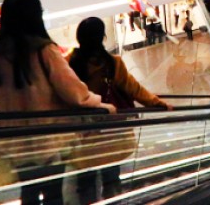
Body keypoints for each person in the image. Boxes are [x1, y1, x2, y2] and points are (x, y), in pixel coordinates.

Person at [0, 0, 115, 205]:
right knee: (54, 194)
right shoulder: (44, 50)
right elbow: (74, 92)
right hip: (47, 141)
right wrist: (100, 103)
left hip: (14, 141)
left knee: (28, 193)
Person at [68, 17, 171, 201]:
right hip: (110, 133)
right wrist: (158, 103)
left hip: (83, 134)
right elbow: (134, 89)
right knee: (111, 178)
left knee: (86, 183)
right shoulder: (112, 63)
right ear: (102, 37)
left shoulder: (69, 64)